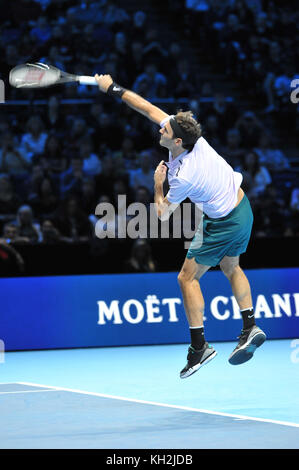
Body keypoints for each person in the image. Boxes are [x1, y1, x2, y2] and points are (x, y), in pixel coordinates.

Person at [94, 73, 266, 379]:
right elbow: (147, 108)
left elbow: (161, 215)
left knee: (186, 279)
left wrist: (158, 184)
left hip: (221, 223)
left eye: (166, 128)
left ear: (176, 141)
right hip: (243, 210)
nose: (161, 125)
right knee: (232, 268)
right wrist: (113, 88)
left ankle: (200, 347)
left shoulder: (184, 174)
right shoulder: (194, 140)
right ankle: (250, 326)